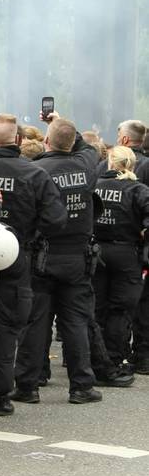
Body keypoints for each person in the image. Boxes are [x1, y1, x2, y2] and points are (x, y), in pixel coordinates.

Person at [12, 118, 109, 404]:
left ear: (46, 141)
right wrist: (62, 124)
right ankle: (81, 386)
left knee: (35, 323)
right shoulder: (87, 166)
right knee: (76, 323)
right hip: (78, 258)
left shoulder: (36, 170)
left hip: (42, 255)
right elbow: (87, 148)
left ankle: (28, 386)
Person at [0, 114, 66, 415]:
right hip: (17, 255)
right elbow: (56, 220)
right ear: (18, 141)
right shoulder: (36, 174)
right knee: (8, 327)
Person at [93, 145, 149, 379]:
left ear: (109, 163)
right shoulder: (138, 190)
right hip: (126, 253)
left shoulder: (94, 186)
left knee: (97, 308)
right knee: (120, 309)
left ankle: (95, 359)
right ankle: (114, 360)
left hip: (96, 251)